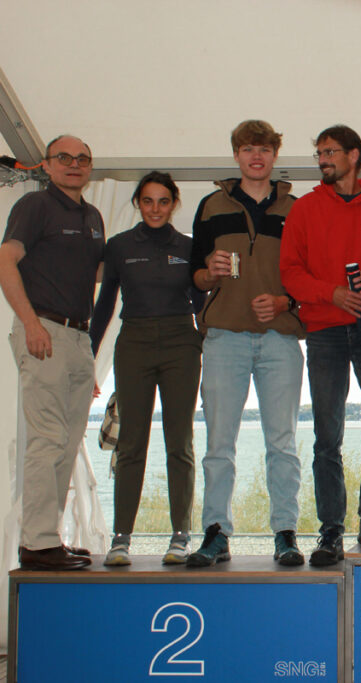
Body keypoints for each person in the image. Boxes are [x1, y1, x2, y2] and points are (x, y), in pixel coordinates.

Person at [280, 124, 361, 564]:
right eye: (319, 153)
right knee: (326, 435)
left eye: (330, 152)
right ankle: (331, 530)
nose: (323, 160)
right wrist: (331, 293)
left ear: (354, 155)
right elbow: (289, 272)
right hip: (324, 333)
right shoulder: (305, 208)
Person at [188, 120, 306, 567]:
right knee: (219, 443)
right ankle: (216, 533)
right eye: (248, 149)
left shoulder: (297, 208)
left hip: (281, 338)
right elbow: (195, 275)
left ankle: (286, 533)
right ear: (236, 154)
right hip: (224, 337)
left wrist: (284, 302)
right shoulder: (210, 205)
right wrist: (209, 273)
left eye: (264, 149)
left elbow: (309, 277)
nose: (256, 156)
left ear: (275, 155)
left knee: (283, 443)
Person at [90, 172, 205, 566]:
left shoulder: (190, 247)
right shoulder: (119, 246)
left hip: (181, 343)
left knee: (180, 442)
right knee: (131, 442)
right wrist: (90, 357)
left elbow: (201, 305)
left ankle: (180, 536)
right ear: (138, 203)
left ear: (174, 204)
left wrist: (209, 347)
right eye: (148, 201)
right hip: (134, 343)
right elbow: (105, 304)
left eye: (163, 201)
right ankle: (121, 539)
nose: (155, 209)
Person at [0, 135, 103, 570]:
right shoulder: (35, 206)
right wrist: (30, 324)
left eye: (82, 158)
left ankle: (49, 538)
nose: (74, 164)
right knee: (47, 439)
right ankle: (37, 544)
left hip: (79, 338)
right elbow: (6, 260)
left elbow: (97, 273)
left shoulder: (93, 216)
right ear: (47, 164)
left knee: (68, 439)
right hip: (43, 329)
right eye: (64, 157)